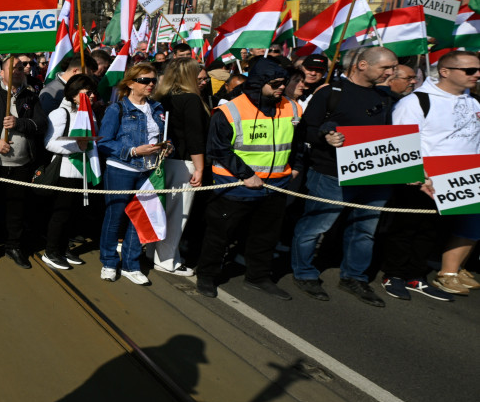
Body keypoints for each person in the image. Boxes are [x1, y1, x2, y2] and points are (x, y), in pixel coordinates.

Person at [289, 47, 397, 305]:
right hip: (330, 173)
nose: (391, 73)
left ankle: (354, 277)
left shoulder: (386, 97)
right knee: (316, 226)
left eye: (393, 67)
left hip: (374, 174)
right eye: (386, 67)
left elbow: (394, 135)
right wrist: (325, 136)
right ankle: (304, 272)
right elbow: (306, 130)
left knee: (365, 229)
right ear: (362, 65)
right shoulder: (330, 92)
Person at [194, 60, 300, 300]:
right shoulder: (230, 110)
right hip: (236, 188)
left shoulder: (292, 107)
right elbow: (218, 149)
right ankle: (207, 275)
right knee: (219, 235)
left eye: (284, 83)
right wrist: (247, 175)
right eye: (275, 83)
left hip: (275, 187)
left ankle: (258, 277)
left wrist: (297, 166)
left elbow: (298, 141)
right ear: (259, 82)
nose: (281, 87)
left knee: (265, 236)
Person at [379, 51, 480, 301]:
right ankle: (394, 274)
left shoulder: (474, 102)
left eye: (478, 70)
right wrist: (416, 172)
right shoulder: (416, 101)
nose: (477, 75)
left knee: (433, 230)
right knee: (406, 228)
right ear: (445, 72)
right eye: (470, 70)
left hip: (458, 179)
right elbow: (400, 140)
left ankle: (415, 275)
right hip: (421, 179)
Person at [96, 63, 166, 286]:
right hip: (121, 169)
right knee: (114, 217)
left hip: (149, 171)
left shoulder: (157, 108)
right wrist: (133, 151)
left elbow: (164, 136)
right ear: (131, 83)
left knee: (140, 218)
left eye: (153, 80)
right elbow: (104, 143)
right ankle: (109, 262)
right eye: (145, 80)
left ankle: (131, 264)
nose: (150, 84)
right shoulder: (117, 109)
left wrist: (167, 146)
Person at [0, 56, 42, 269]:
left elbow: (40, 124)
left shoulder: (31, 97)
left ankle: (14, 246)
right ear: (1, 73)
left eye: (21, 68)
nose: (18, 72)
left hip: (21, 165)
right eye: (13, 68)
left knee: (17, 208)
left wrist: (19, 123)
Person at [151, 58, 209, 277]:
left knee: (163, 210)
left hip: (164, 160)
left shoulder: (162, 97)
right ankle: (166, 259)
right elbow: (195, 137)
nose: (202, 78)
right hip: (184, 162)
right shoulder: (191, 99)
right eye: (197, 74)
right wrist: (200, 168)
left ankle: (156, 252)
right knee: (177, 214)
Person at [41, 74, 100, 270]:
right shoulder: (60, 114)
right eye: (88, 92)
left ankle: (63, 247)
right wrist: (76, 147)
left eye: (93, 92)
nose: (92, 96)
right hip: (65, 171)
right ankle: (51, 251)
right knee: (61, 213)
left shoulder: (89, 114)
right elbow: (49, 143)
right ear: (75, 94)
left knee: (75, 213)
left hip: (84, 171)